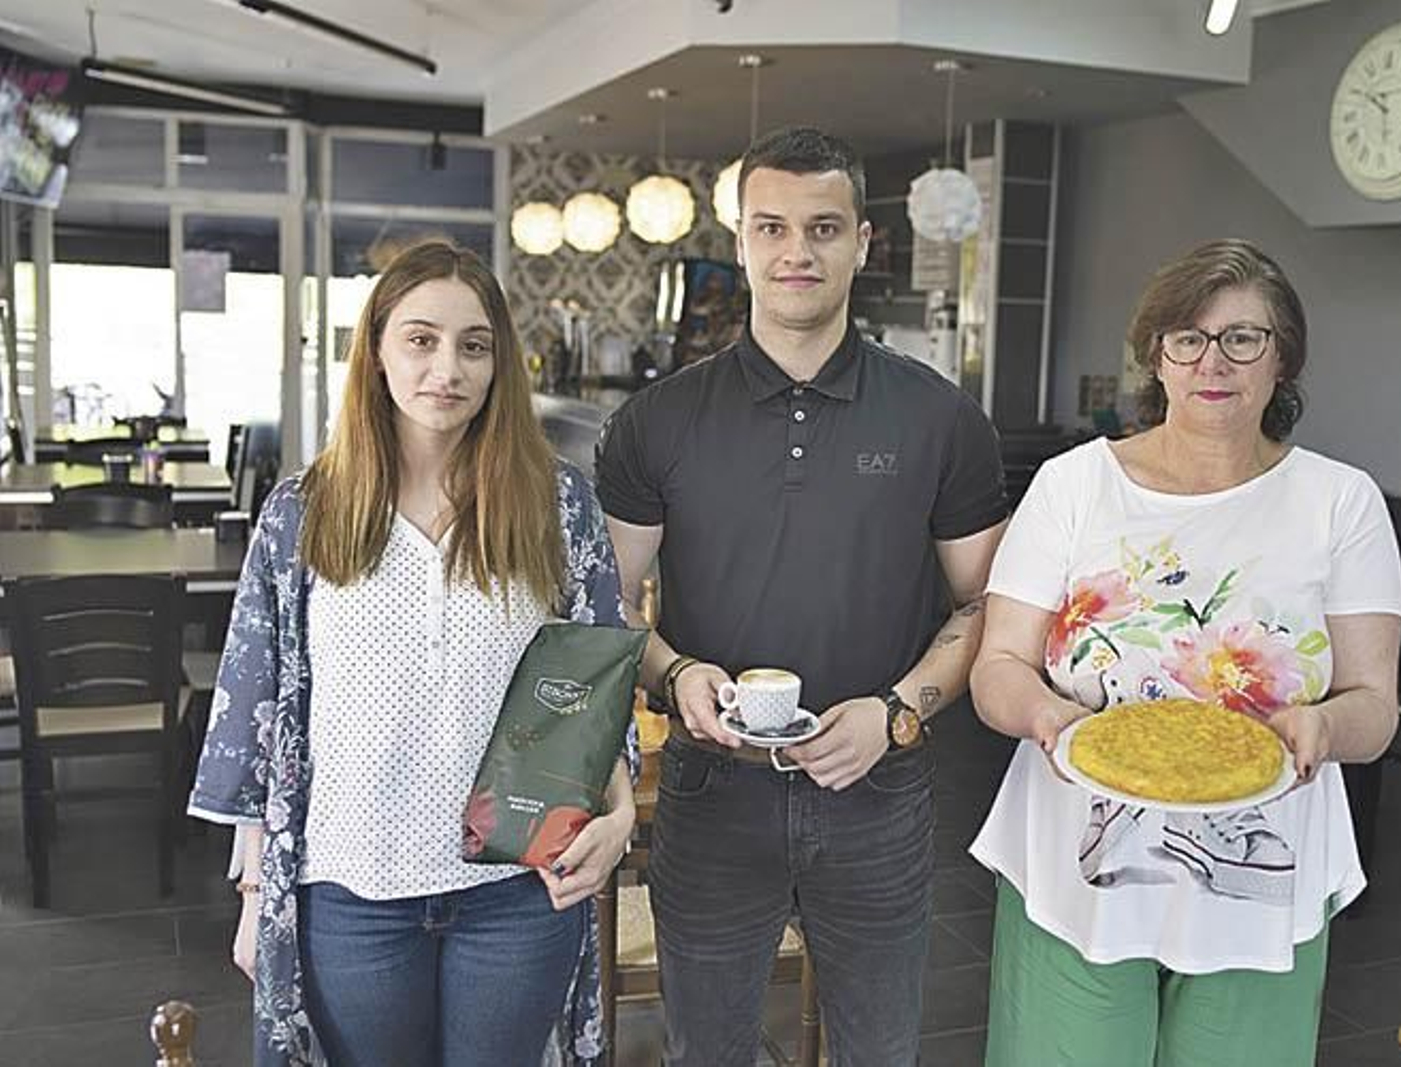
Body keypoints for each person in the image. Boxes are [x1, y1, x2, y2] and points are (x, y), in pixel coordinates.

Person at [596, 126, 1009, 1066]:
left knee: (879, 1050)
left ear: (864, 243)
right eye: (771, 227)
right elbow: (612, 602)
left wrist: (897, 713)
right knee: (708, 1051)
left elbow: (985, 606)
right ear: (739, 242)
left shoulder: (941, 417)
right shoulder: (657, 421)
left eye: (824, 228)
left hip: (881, 792)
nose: (797, 252)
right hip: (710, 790)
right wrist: (676, 673)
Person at [187, 241, 638, 1067]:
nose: (448, 368)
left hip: (516, 888)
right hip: (351, 890)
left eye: (474, 344)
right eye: (421, 339)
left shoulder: (556, 501)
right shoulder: (305, 510)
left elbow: (597, 679)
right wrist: (256, 894)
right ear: (379, 350)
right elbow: (261, 712)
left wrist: (620, 815)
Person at [968, 238, 1401, 1066]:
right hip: (1077, 857)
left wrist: (1323, 728)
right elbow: (998, 668)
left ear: (1283, 362)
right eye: (1189, 337)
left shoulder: (1339, 503)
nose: (1215, 360)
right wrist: (1049, 716)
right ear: (1156, 356)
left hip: (1261, 864)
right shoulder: (1073, 484)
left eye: (1245, 337)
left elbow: (1373, 705)